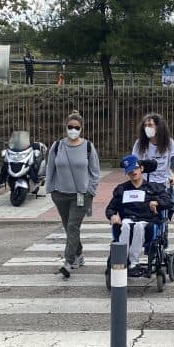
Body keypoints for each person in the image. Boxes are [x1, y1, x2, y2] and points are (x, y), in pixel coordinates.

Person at [45, 111, 101, 278]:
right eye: (70, 127)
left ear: (81, 128)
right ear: (66, 127)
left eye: (76, 127)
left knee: (72, 226)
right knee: (69, 227)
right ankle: (79, 254)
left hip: (81, 195)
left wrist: (90, 190)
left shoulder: (88, 147)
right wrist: (50, 189)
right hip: (60, 194)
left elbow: (95, 171)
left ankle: (68, 262)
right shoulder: (57, 146)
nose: (73, 130)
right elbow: (50, 168)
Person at [107, 155, 173, 276]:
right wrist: (112, 216)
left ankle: (134, 263)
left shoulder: (154, 188)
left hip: (146, 221)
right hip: (127, 220)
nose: (133, 172)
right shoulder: (122, 189)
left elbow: (168, 201)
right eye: (130, 171)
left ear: (141, 168)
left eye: (135, 168)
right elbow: (110, 208)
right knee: (126, 226)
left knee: (138, 227)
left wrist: (157, 202)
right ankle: (122, 260)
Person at [131, 113, 174, 188]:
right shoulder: (139, 143)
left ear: (158, 127)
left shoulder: (169, 142)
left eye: (150, 125)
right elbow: (134, 163)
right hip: (145, 183)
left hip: (165, 183)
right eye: (145, 125)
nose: (147, 128)